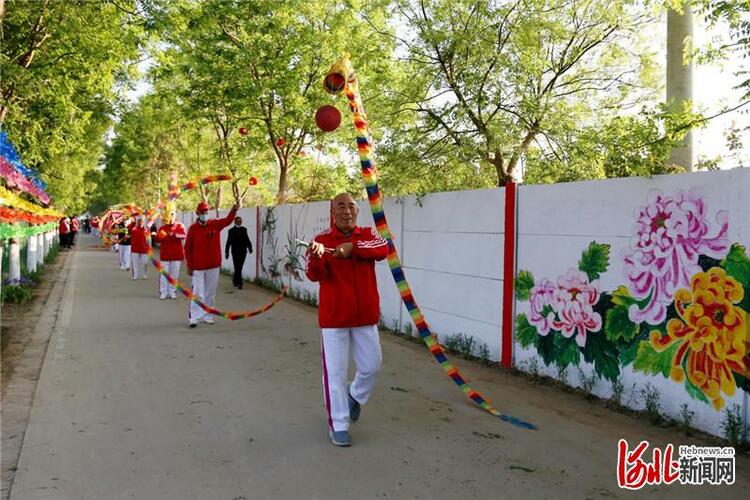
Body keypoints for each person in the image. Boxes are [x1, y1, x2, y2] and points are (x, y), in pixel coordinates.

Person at [305, 192, 389, 447]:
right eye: (340, 206)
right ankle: (339, 424)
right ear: (332, 212)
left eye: (351, 206)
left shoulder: (367, 235)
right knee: (335, 375)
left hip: (365, 316)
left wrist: (353, 248)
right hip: (334, 319)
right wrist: (318, 256)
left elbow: (383, 249)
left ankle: (355, 396)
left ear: (357, 211)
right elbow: (312, 274)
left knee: (372, 366)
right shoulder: (321, 240)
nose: (346, 211)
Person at [184, 201, 239, 328]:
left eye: (206, 211)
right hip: (198, 266)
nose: (204, 213)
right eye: (202, 211)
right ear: (197, 213)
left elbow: (227, 221)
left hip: (213, 265)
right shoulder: (193, 229)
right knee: (198, 292)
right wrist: (189, 265)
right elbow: (188, 248)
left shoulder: (215, 224)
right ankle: (194, 317)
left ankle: (208, 315)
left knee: (210, 292)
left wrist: (233, 211)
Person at [155, 210, 186, 299]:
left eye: (173, 215)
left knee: (174, 274)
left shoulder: (180, 226)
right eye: (170, 215)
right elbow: (157, 240)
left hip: (176, 255)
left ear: (175, 217)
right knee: (164, 274)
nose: (171, 217)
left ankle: (172, 291)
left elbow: (184, 235)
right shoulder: (162, 228)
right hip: (165, 255)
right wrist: (162, 236)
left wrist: (174, 234)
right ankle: (163, 292)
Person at [224, 216, 253, 289]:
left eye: (240, 220)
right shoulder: (231, 231)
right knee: (237, 266)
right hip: (235, 252)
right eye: (238, 220)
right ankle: (240, 283)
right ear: (235, 221)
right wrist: (226, 252)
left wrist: (250, 247)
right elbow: (228, 242)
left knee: (239, 267)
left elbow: (247, 239)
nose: (239, 222)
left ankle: (235, 280)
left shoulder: (244, 229)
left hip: (243, 251)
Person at [129, 215, 151, 280]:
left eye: (142, 222)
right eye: (139, 222)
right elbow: (129, 227)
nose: (140, 223)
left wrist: (149, 248)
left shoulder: (146, 230)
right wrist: (133, 219)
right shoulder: (133, 229)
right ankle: (135, 275)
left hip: (144, 249)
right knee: (135, 263)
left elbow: (149, 240)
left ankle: (145, 274)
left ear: (143, 222)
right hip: (135, 249)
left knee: (145, 262)